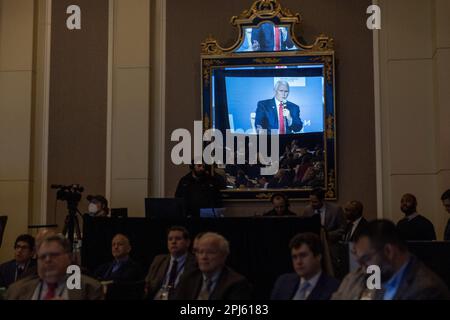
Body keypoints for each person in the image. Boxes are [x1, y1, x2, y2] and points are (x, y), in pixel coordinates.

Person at [333, 220, 449, 300]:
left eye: (366, 259)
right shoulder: (366, 276)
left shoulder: (426, 289)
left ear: (388, 251)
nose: (363, 268)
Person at [5, 234, 103, 300]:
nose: (47, 260)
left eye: (54, 255)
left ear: (69, 258)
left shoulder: (89, 288)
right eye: (42, 257)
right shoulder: (16, 290)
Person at [174, 232, 252, 300]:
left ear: (223, 256)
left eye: (210, 252)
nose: (204, 257)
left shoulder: (236, 283)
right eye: (200, 252)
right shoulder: (188, 278)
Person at [271, 233, 339, 300]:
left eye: (303, 255)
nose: (298, 262)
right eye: (294, 257)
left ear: (318, 256)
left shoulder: (334, 288)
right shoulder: (283, 282)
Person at [145, 226, 196, 300]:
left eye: (178, 239)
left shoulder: (195, 262)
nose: (173, 242)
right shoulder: (159, 259)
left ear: (187, 243)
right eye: (170, 239)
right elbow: (147, 282)